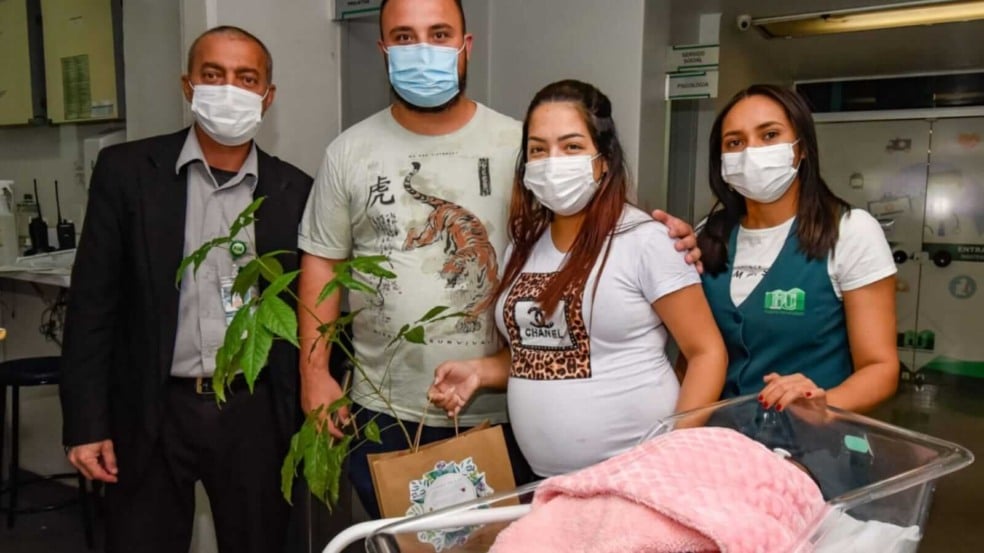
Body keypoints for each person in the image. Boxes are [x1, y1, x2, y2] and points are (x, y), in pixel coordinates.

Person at [297, 0, 699, 518]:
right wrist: (314, 373)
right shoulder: (347, 153)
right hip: (387, 407)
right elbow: (323, 263)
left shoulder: (522, 145)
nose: (423, 50)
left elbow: (592, 226)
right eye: (404, 37)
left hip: (506, 410)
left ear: (466, 46)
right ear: (383, 49)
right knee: (403, 546)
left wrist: (668, 240)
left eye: (439, 34)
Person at [59, 26, 311, 553]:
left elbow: (310, 310)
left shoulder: (295, 191)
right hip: (152, 409)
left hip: (254, 412)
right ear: (188, 85)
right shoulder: (128, 173)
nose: (229, 89)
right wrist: (85, 422)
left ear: (268, 96)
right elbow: (92, 307)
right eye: (213, 75)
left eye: (246, 78)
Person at [426, 80, 727, 478]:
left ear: (604, 159)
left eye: (571, 146)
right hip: (545, 481)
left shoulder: (646, 241)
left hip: (636, 476)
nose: (553, 162)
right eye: (538, 149)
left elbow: (706, 352)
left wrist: (671, 449)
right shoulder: (524, 248)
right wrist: (479, 372)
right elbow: (536, 352)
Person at [688, 84, 899, 413]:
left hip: (814, 439)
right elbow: (692, 355)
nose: (751, 152)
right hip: (724, 438)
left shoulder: (850, 231)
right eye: (735, 142)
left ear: (801, 148)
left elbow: (880, 368)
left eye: (769, 135)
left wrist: (823, 405)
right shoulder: (709, 233)